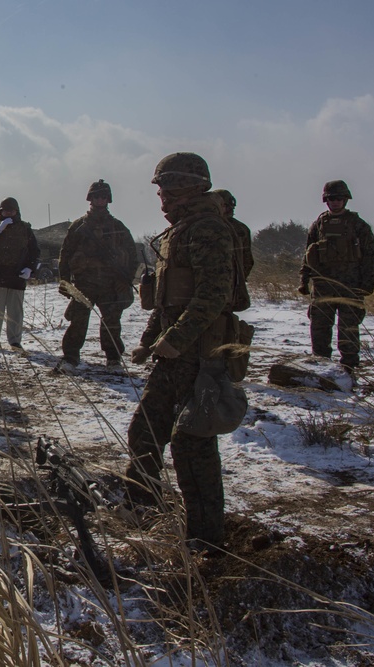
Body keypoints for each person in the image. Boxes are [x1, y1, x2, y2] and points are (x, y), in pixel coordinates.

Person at [126, 152, 241, 551]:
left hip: (199, 356)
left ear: (188, 187)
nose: (161, 196)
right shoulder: (181, 230)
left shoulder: (207, 228)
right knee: (145, 430)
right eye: (160, 189)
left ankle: (207, 540)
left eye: (166, 188)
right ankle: (140, 505)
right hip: (172, 355)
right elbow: (168, 298)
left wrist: (176, 338)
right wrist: (150, 340)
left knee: (192, 446)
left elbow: (213, 295)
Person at [56, 180, 138, 370]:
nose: (99, 200)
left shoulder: (118, 227)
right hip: (84, 283)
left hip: (111, 284)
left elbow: (132, 256)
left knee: (111, 323)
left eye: (103, 196)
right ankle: (70, 357)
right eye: (96, 196)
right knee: (78, 321)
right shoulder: (79, 226)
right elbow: (66, 254)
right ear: (90, 199)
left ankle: (113, 358)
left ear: (108, 199)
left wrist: (125, 280)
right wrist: (65, 280)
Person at [299, 180, 374, 374]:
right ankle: (320, 367)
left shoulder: (358, 225)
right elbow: (308, 254)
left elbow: (370, 256)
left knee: (348, 329)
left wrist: (368, 283)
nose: (335, 202)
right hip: (323, 284)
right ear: (326, 200)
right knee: (319, 327)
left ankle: (349, 368)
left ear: (346, 199)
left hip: (350, 286)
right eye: (331, 198)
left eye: (339, 198)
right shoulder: (318, 225)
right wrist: (304, 279)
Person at [0, 197, 40, 352]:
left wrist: (30, 268)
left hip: (18, 275)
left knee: (15, 311)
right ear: (1, 212)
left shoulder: (25, 228)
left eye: (11, 211)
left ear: (16, 212)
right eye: (5, 211)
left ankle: (15, 342)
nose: (8, 213)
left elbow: (34, 251)